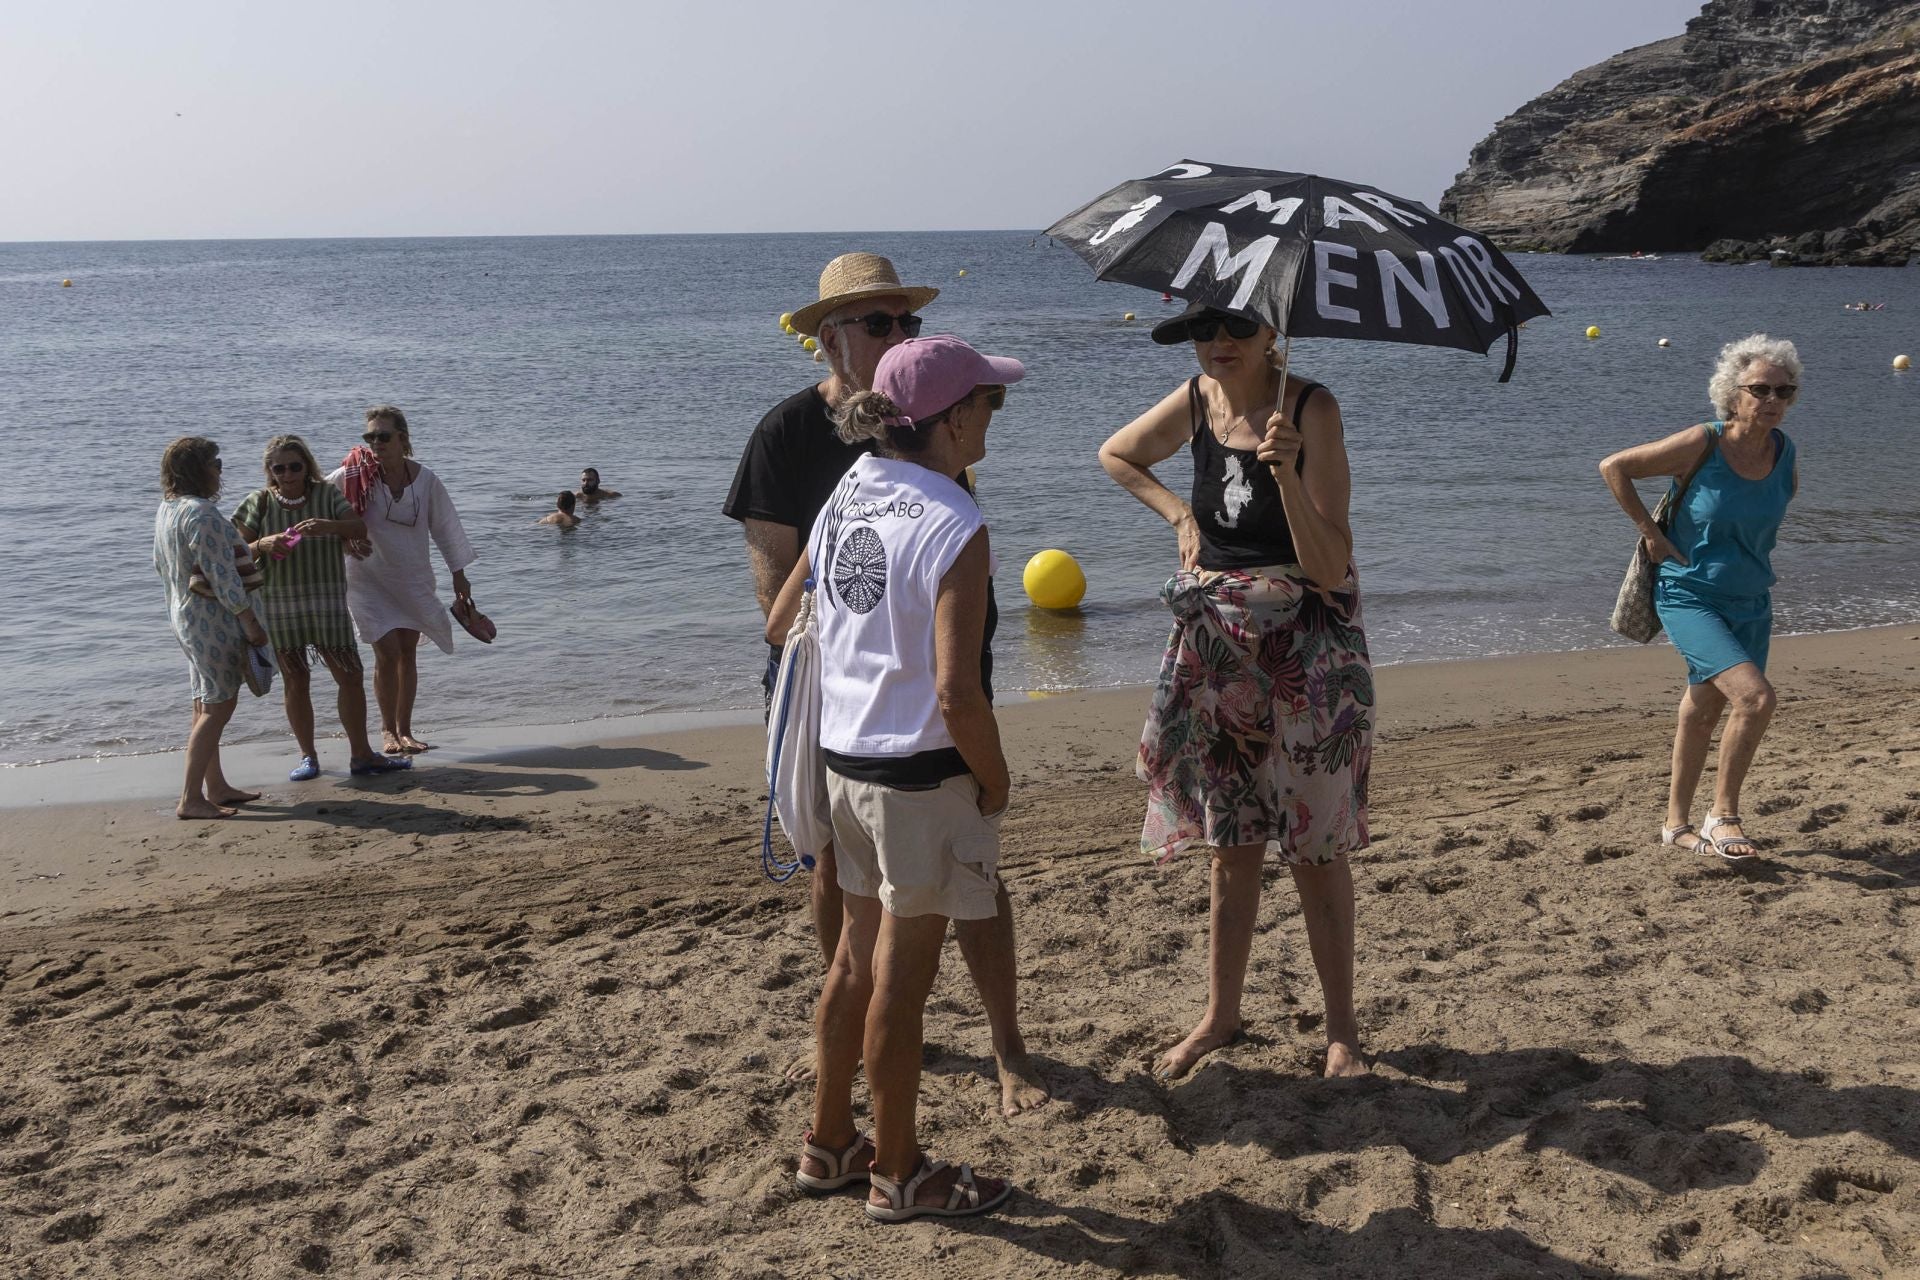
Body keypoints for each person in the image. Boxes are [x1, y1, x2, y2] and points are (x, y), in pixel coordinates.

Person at [727, 254, 1045, 1116]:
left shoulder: (876, 475)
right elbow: (778, 609)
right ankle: (891, 1162)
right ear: (829, 338)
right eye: (880, 322)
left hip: (873, 731)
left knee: (898, 936)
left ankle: (851, 1125)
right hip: (885, 726)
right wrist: (988, 763)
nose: (898, 333)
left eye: (904, 322)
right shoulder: (798, 438)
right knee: (888, 964)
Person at [769, 335, 1022, 1222]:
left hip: (843, 765)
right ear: (953, 419)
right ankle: (901, 1172)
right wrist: (995, 784)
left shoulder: (851, 487)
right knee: (898, 986)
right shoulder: (955, 522)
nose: (996, 415)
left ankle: (831, 1143)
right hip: (919, 774)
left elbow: (779, 619)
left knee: (849, 965)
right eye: (990, 402)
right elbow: (958, 691)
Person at [1099, 302, 1372, 1081]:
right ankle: (1221, 1016)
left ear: (1271, 335)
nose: (1217, 344)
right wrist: (1179, 513)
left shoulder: (1312, 407)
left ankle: (1342, 1030)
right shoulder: (1195, 398)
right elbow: (1117, 455)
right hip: (1217, 650)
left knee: (1316, 847)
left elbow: (1328, 563)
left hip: (1308, 652)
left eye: (1236, 330)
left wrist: (1285, 473)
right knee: (1232, 843)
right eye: (1203, 331)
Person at [1599, 334, 1801, 861]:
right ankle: (1724, 817)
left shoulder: (1786, 453)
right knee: (1756, 699)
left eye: (1784, 390)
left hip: (1752, 601)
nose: (1772, 399)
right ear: (1733, 393)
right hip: (1689, 595)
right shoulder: (1703, 442)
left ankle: (1674, 824)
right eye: (1760, 389)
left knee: (1703, 707)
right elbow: (1614, 467)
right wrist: (1652, 533)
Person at [233, 435, 409, 781]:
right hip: (281, 607)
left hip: (328, 604)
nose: (287, 474)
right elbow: (234, 551)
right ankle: (308, 757)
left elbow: (359, 527)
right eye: (279, 468)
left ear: (307, 466)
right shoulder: (258, 502)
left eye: (295, 466)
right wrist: (264, 543)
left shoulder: (326, 494)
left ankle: (361, 754)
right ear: (269, 470)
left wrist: (329, 527)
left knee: (350, 676)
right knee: (296, 680)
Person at [328, 406, 478, 756]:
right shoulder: (351, 475)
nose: (375, 443)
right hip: (366, 578)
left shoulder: (426, 481)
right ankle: (386, 731)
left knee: (408, 652)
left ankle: (406, 730)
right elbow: (317, 504)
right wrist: (343, 537)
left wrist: (459, 574)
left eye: (383, 436)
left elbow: (446, 528)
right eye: (369, 437)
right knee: (387, 652)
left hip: (411, 577)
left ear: (402, 439)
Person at [153, 437, 272, 819]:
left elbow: (163, 567)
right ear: (197, 470)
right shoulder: (201, 513)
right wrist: (251, 623)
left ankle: (215, 785)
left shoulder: (168, 509)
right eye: (214, 463)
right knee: (219, 704)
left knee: (204, 700)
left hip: (183, 615)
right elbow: (224, 579)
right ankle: (190, 798)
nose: (220, 469)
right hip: (210, 619)